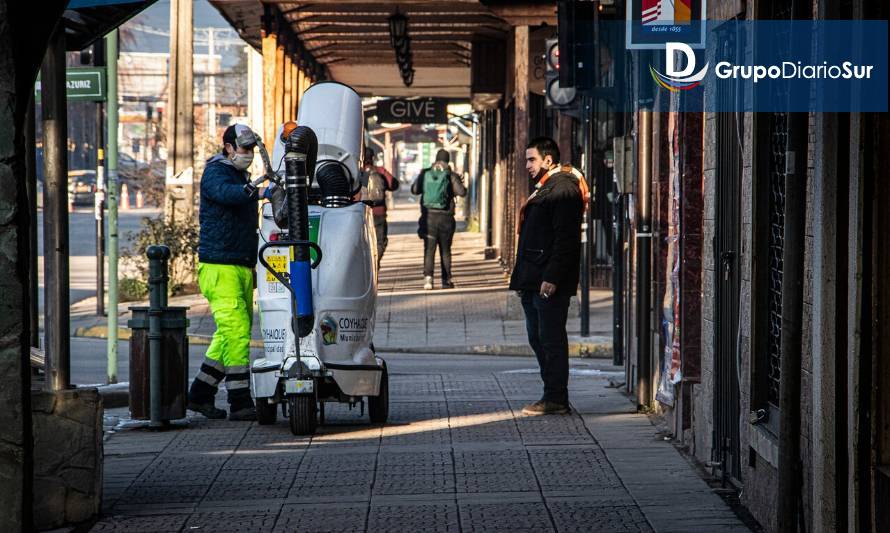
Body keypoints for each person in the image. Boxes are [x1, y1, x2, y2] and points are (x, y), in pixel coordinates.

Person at [510, 137, 589, 416]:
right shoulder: (547, 188)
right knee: (537, 336)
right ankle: (551, 393)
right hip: (533, 279)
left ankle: (556, 397)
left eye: (532, 159)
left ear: (548, 160)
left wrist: (552, 276)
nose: (527, 165)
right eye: (526, 160)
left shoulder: (563, 187)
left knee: (550, 337)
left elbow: (565, 239)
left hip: (548, 280)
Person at [187, 124, 261, 421]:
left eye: (251, 150)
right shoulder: (217, 172)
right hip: (220, 266)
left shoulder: (240, 175)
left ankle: (200, 395)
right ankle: (240, 401)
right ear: (228, 148)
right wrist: (255, 190)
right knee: (237, 332)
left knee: (226, 336)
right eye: (244, 149)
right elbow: (226, 194)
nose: (249, 155)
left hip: (238, 264)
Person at [411, 149, 466, 290]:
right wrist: (459, 181)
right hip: (446, 219)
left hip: (428, 217)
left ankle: (428, 279)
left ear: (436, 159)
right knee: (445, 250)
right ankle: (446, 280)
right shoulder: (450, 174)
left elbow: (415, 190)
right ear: (447, 160)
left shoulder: (426, 172)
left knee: (429, 250)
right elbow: (462, 192)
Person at [362, 147, 399, 267]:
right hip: (379, 212)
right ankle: (375, 262)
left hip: (361, 213)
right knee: (381, 241)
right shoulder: (380, 171)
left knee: (363, 242)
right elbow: (394, 184)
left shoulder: (358, 172)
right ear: (373, 158)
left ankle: (368, 264)